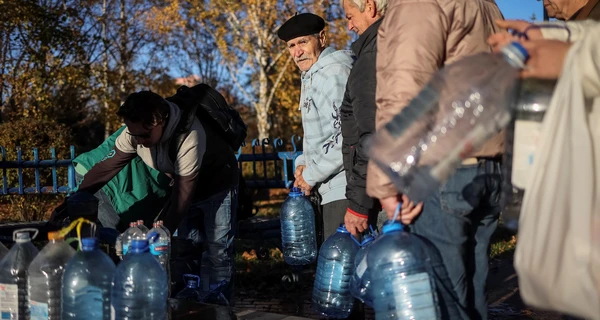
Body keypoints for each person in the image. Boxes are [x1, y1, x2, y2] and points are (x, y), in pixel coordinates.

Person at [366, 1, 505, 319]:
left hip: (443, 171)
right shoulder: (487, 5)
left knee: (442, 302)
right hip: (488, 164)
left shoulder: (419, 5)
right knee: (472, 298)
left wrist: (387, 181)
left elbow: (406, 93)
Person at [75, 90, 239, 304]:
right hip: (185, 185)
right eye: (134, 135)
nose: (139, 142)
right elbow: (106, 167)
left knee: (217, 250)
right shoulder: (136, 133)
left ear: (159, 121)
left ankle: (220, 305)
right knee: (184, 247)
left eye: (144, 135)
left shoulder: (190, 135)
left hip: (217, 185)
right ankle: (186, 304)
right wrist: (74, 198)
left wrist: (156, 240)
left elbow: (182, 198)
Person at [277, 13, 354, 239]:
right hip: (327, 186)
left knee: (341, 265)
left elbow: (345, 137)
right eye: (291, 45)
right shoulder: (312, 75)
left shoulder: (333, 73)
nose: (297, 52)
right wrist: (302, 162)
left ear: (321, 38)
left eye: (303, 42)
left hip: (344, 187)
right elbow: (318, 134)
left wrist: (310, 175)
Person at [338, 0, 387, 237]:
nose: (349, 26)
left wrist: (358, 205)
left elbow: (375, 135)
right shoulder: (401, 42)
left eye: (350, 17)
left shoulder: (372, 57)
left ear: (370, 7)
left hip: (385, 194)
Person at [73, 126, 171, 231]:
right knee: (121, 237)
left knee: (136, 235)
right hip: (101, 177)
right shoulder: (139, 130)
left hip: (123, 180)